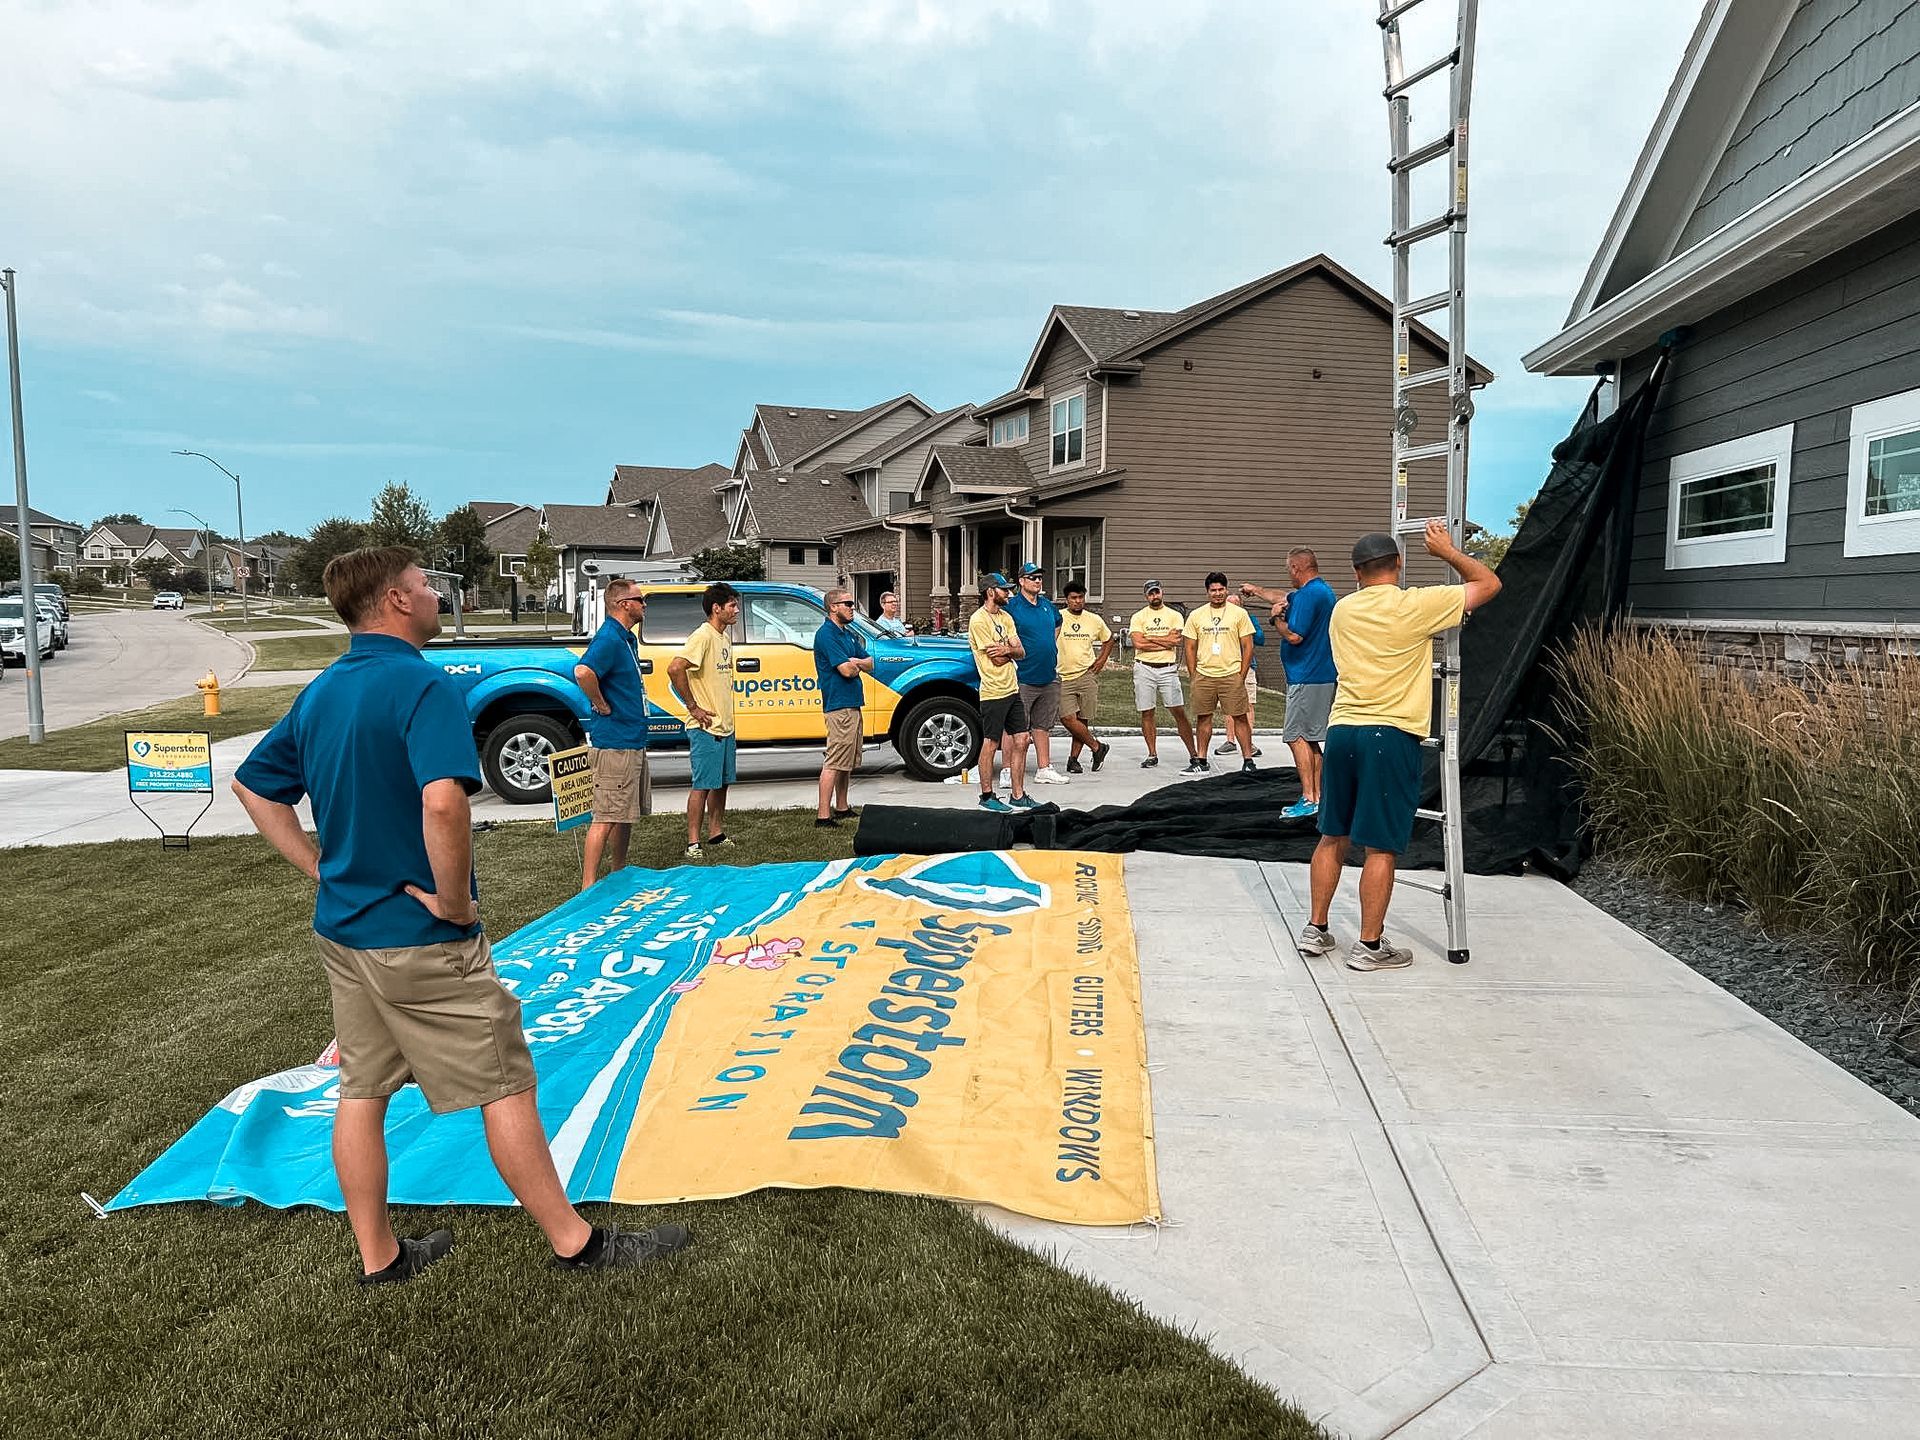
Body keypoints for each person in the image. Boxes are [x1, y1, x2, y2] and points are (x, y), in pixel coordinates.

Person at [231, 547, 690, 1284]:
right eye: (423, 585)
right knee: (506, 1080)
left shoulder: (322, 691)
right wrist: (451, 901)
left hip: (344, 932)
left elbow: (254, 787)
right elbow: (443, 800)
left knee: (363, 1089)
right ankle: (577, 1243)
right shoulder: (421, 684)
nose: (434, 595)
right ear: (395, 602)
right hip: (419, 935)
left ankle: (380, 1259)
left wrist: (318, 867)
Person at [1300, 522, 1501, 971]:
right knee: (1380, 847)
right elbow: (1488, 583)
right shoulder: (1415, 605)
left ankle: (1316, 929)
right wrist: (1448, 551)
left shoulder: (1343, 611)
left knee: (1332, 834)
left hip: (1343, 730)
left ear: (1355, 573)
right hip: (1388, 735)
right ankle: (1370, 948)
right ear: (1399, 564)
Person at [1243, 547, 1339, 819]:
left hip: (1307, 676)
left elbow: (1295, 635)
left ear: (1297, 568)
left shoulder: (1311, 595)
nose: (1289, 576)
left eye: (1289, 570)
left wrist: (1275, 618)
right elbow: (1284, 597)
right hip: (1318, 675)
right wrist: (1257, 590)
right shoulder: (1319, 591)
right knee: (1310, 738)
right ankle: (1318, 797)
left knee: (1295, 736)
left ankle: (1309, 797)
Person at [573, 580, 653, 892]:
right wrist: (600, 703)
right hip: (614, 741)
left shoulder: (626, 639)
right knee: (606, 814)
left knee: (624, 812)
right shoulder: (608, 637)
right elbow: (583, 672)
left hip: (631, 739)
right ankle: (588, 886)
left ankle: (619, 870)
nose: (644, 604)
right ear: (623, 604)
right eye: (640, 599)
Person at [667, 581, 741, 860]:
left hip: (725, 726)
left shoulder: (724, 637)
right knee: (702, 785)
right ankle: (692, 842)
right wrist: (694, 707)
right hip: (705, 727)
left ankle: (716, 833)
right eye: (732, 606)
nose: (736, 611)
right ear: (716, 608)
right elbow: (675, 668)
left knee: (721, 783)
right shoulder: (703, 635)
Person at [968, 573, 1038, 813]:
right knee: (991, 743)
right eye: (1004, 590)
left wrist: (1008, 650)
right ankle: (987, 795)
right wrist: (1010, 650)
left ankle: (1018, 796)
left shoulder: (1006, 617)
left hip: (1012, 688)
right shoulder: (978, 621)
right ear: (990, 592)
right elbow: (996, 660)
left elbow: (1022, 652)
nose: (1009, 594)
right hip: (993, 692)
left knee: (1022, 739)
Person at [1182, 572, 1257, 774]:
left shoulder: (1238, 614)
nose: (1217, 593)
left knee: (1239, 717)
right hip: (1204, 674)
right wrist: (1193, 674)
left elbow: (1248, 646)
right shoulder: (1196, 615)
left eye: (1221, 589)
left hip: (1231, 673)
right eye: (1213, 590)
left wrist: (1241, 675)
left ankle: (1248, 760)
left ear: (1226, 589)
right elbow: (1189, 647)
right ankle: (1201, 760)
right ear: (1207, 592)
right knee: (1203, 717)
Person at [813, 586, 872, 827]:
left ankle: (842, 806)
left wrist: (856, 661)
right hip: (838, 705)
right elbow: (846, 671)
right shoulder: (826, 634)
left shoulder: (846, 634)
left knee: (846, 761)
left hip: (852, 703)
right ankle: (823, 815)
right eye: (847, 604)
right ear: (833, 607)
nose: (852, 608)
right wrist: (855, 664)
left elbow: (869, 662)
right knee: (835, 759)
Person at [1128, 580, 1199, 770]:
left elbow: (1175, 641)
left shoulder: (1174, 615)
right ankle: (1152, 754)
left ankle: (1193, 753)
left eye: (1157, 592)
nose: (1154, 596)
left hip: (1167, 668)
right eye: (1151, 594)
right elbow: (1138, 644)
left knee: (1178, 711)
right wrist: (1162, 640)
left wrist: (1149, 637)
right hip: (1144, 667)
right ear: (1146, 596)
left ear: (1162, 593)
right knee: (1147, 711)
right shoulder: (1138, 616)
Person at [1008, 561, 1068, 785]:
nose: (1037, 581)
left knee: (1042, 725)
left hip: (1049, 675)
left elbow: (1058, 624)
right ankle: (1008, 770)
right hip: (1023, 676)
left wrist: (1047, 644)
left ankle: (1044, 768)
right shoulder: (1012, 606)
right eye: (1032, 577)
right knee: (1015, 727)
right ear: (1022, 581)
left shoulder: (1047, 606)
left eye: (1039, 577)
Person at [1057, 580, 1114, 774]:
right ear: (1066, 599)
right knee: (1067, 718)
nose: (1078, 601)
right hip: (1062, 675)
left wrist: (1101, 660)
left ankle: (1073, 760)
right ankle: (1098, 747)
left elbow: (1109, 639)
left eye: (1081, 597)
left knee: (1082, 720)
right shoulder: (1058, 617)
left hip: (1086, 674)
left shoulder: (1094, 620)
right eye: (1074, 598)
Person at [1212, 607, 1267, 761]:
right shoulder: (1218, 620)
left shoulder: (1249, 619)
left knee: (1248, 704)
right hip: (1225, 667)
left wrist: (1244, 626)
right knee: (1228, 705)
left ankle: (1249, 742)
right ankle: (1230, 741)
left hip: (1247, 667)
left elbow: (1260, 639)